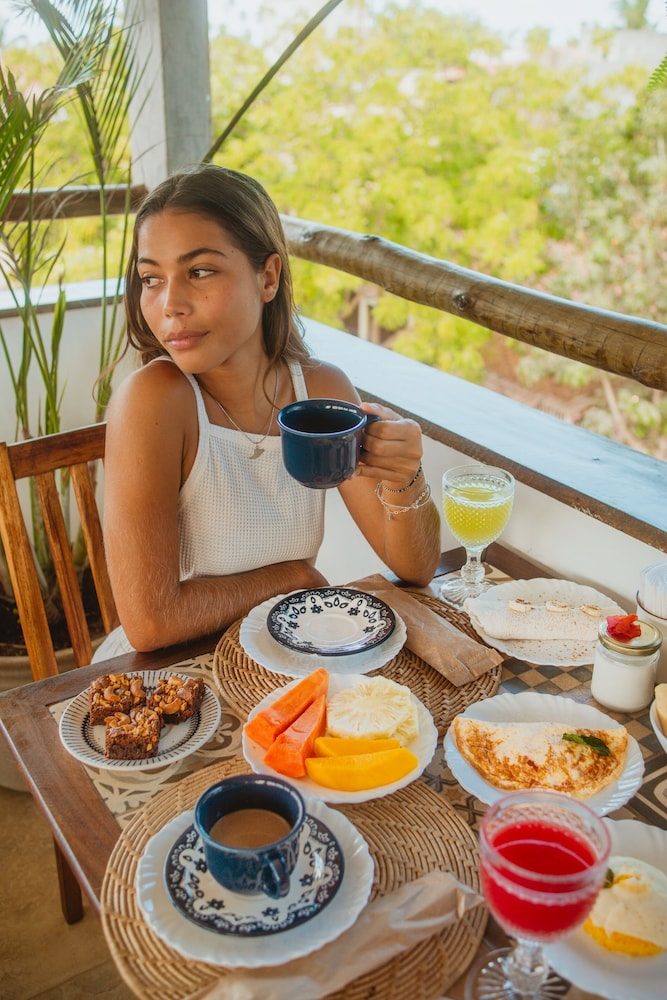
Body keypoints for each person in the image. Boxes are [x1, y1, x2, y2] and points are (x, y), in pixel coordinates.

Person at [95, 164, 441, 657]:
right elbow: (150, 624)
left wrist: (405, 475)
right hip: (172, 674)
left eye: (199, 271)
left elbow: (416, 568)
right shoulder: (153, 400)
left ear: (268, 277)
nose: (170, 304)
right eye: (151, 278)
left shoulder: (321, 391)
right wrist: (294, 577)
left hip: (284, 656)